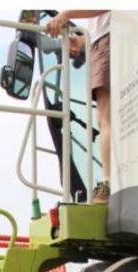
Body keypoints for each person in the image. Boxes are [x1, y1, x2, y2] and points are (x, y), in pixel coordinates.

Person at [47, 10, 111, 203]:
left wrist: (66, 14)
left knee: (106, 118)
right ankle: (109, 179)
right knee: (103, 118)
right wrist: (83, 41)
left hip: (106, 43)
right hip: (101, 42)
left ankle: (108, 182)